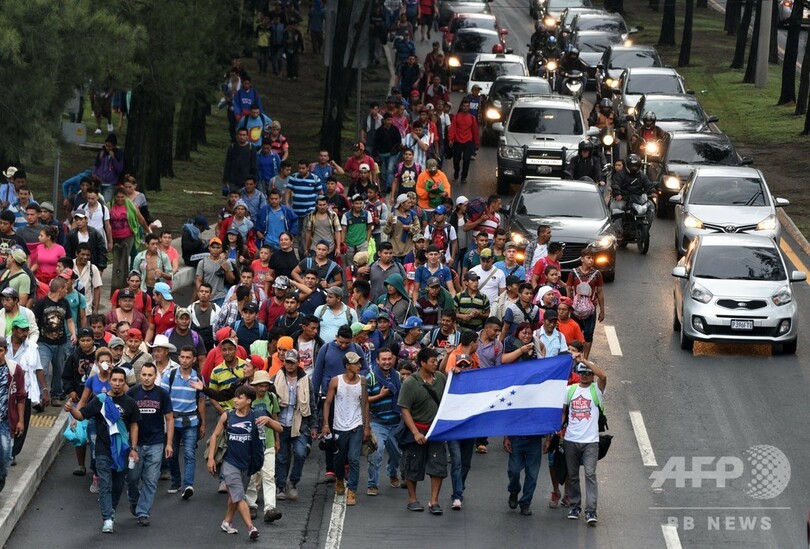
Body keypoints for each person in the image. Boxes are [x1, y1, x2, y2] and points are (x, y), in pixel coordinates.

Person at [66, 367, 140, 533]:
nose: (117, 384)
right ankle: (107, 518)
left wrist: (134, 449)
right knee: (105, 483)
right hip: (102, 450)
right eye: (114, 380)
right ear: (110, 381)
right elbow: (81, 415)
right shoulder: (100, 400)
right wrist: (71, 409)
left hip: (122, 451)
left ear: (125, 383)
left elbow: (134, 426)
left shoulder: (130, 403)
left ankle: (112, 509)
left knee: (118, 484)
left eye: (121, 381)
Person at [206, 385, 263, 541]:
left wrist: (270, 420)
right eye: (235, 397)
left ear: (249, 400)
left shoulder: (255, 417)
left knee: (235, 497)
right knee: (239, 495)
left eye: (240, 397)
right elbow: (215, 435)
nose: (236, 400)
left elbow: (278, 428)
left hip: (247, 465)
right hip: (229, 463)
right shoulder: (228, 415)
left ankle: (227, 522)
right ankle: (251, 528)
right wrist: (211, 458)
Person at [397, 347, 446, 514]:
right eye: (432, 361)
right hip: (418, 429)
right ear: (422, 363)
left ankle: (434, 501)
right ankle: (412, 499)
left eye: (436, 361)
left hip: (436, 431)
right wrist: (415, 432)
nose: (435, 364)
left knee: (438, 465)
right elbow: (404, 409)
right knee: (413, 464)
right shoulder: (410, 382)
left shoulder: (440, 378)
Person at [561, 353, 607, 525]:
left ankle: (591, 511)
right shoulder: (570, 390)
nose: (585, 375)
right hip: (571, 439)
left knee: (590, 474)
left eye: (588, 373)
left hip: (591, 442)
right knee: (572, 475)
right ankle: (575, 506)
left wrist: (584, 361)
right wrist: (558, 432)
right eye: (582, 373)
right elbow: (563, 412)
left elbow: (603, 376)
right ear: (578, 374)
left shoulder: (597, 390)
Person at [126, 363, 173, 526]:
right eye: (144, 375)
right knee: (132, 477)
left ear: (155, 376)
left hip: (156, 443)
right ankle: (134, 499)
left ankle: (143, 512)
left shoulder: (162, 394)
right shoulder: (132, 393)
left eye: (150, 375)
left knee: (151, 479)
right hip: (135, 444)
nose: (146, 378)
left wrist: (169, 443)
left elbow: (169, 419)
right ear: (141, 376)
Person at [321, 351, 370, 506]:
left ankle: (352, 490)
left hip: (356, 425)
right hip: (339, 426)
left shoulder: (362, 381)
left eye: (359, 363)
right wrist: (326, 424)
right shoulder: (336, 381)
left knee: (354, 458)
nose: (359, 366)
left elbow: (366, 403)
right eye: (356, 363)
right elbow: (327, 403)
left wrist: (366, 426)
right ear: (347, 366)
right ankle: (340, 479)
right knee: (340, 458)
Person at [273, 349, 317, 502]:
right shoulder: (276, 378)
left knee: (300, 453)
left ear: (297, 362)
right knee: (282, 457)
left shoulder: (305, 380)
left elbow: (312, 404)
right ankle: (280, 486)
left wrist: (313, 426)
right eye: (287, 362)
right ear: (283, 362)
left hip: (300, 425)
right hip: (281, 424)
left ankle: (293, 482)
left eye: (292, 362)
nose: (289, 365)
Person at [163, 346, 205, 499]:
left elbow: (201, 402)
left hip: (191, 422)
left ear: (194, 359)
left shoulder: (198, 377)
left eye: (188, 357)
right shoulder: (170, 375)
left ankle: (188, 485)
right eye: (182, 357)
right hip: (173, 422)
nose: (185, 360)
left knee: (189, 453)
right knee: (171, 454)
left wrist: (203, 424)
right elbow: (164, 399)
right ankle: (176, 481)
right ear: (178, 358)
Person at [34, 278, 76, 404]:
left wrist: (73, 333)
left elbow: (69, 320)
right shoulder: (41, 303)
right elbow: (35, 321)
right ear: (60, 290)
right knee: (43, 368)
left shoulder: (65, 303)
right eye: (65, 289)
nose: (66, 291)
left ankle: (56, 395)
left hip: (61, 342)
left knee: (59, 369)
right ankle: (42, 395)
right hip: (43, 342)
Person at [565, 249, 604, 359]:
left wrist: (602, 310)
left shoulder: (597, 274)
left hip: (590, 309)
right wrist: (568, 304)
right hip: (575, 309)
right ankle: (574, 356)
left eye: (592, 258)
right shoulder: (573, 273)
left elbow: (600, 292)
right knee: (575, 333)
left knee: (588, 334)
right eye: (588, 258)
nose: (591, 260)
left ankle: (584, 359)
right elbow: (568, 289)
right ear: (582, 259)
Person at [0, 335, 27, 493]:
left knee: (5, 457)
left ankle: (1, 479)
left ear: (6, 351)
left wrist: (20, 421)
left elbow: (20, 397)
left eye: (0, 350)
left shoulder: (14, 369)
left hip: (5, 421)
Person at [66, 208, 109, 273]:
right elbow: (68, 252)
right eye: (76, 220)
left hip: (93, 266)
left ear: (86, 219)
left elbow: (102, 251)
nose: (78, 222)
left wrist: (100, 268)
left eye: (81, 219)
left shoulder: (95, 233)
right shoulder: (71, 235)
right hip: (76, 267)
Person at [92, 134, 124, 201]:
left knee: (106, 202)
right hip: (99, 182)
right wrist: (94, 173)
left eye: (110, 146)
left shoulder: (119, 154)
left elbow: (119, 169)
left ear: (114, 146)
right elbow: (96, 164)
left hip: (110, 184)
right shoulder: (102, 152)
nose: (107, 148)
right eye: (106, 145)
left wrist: (113, 158)